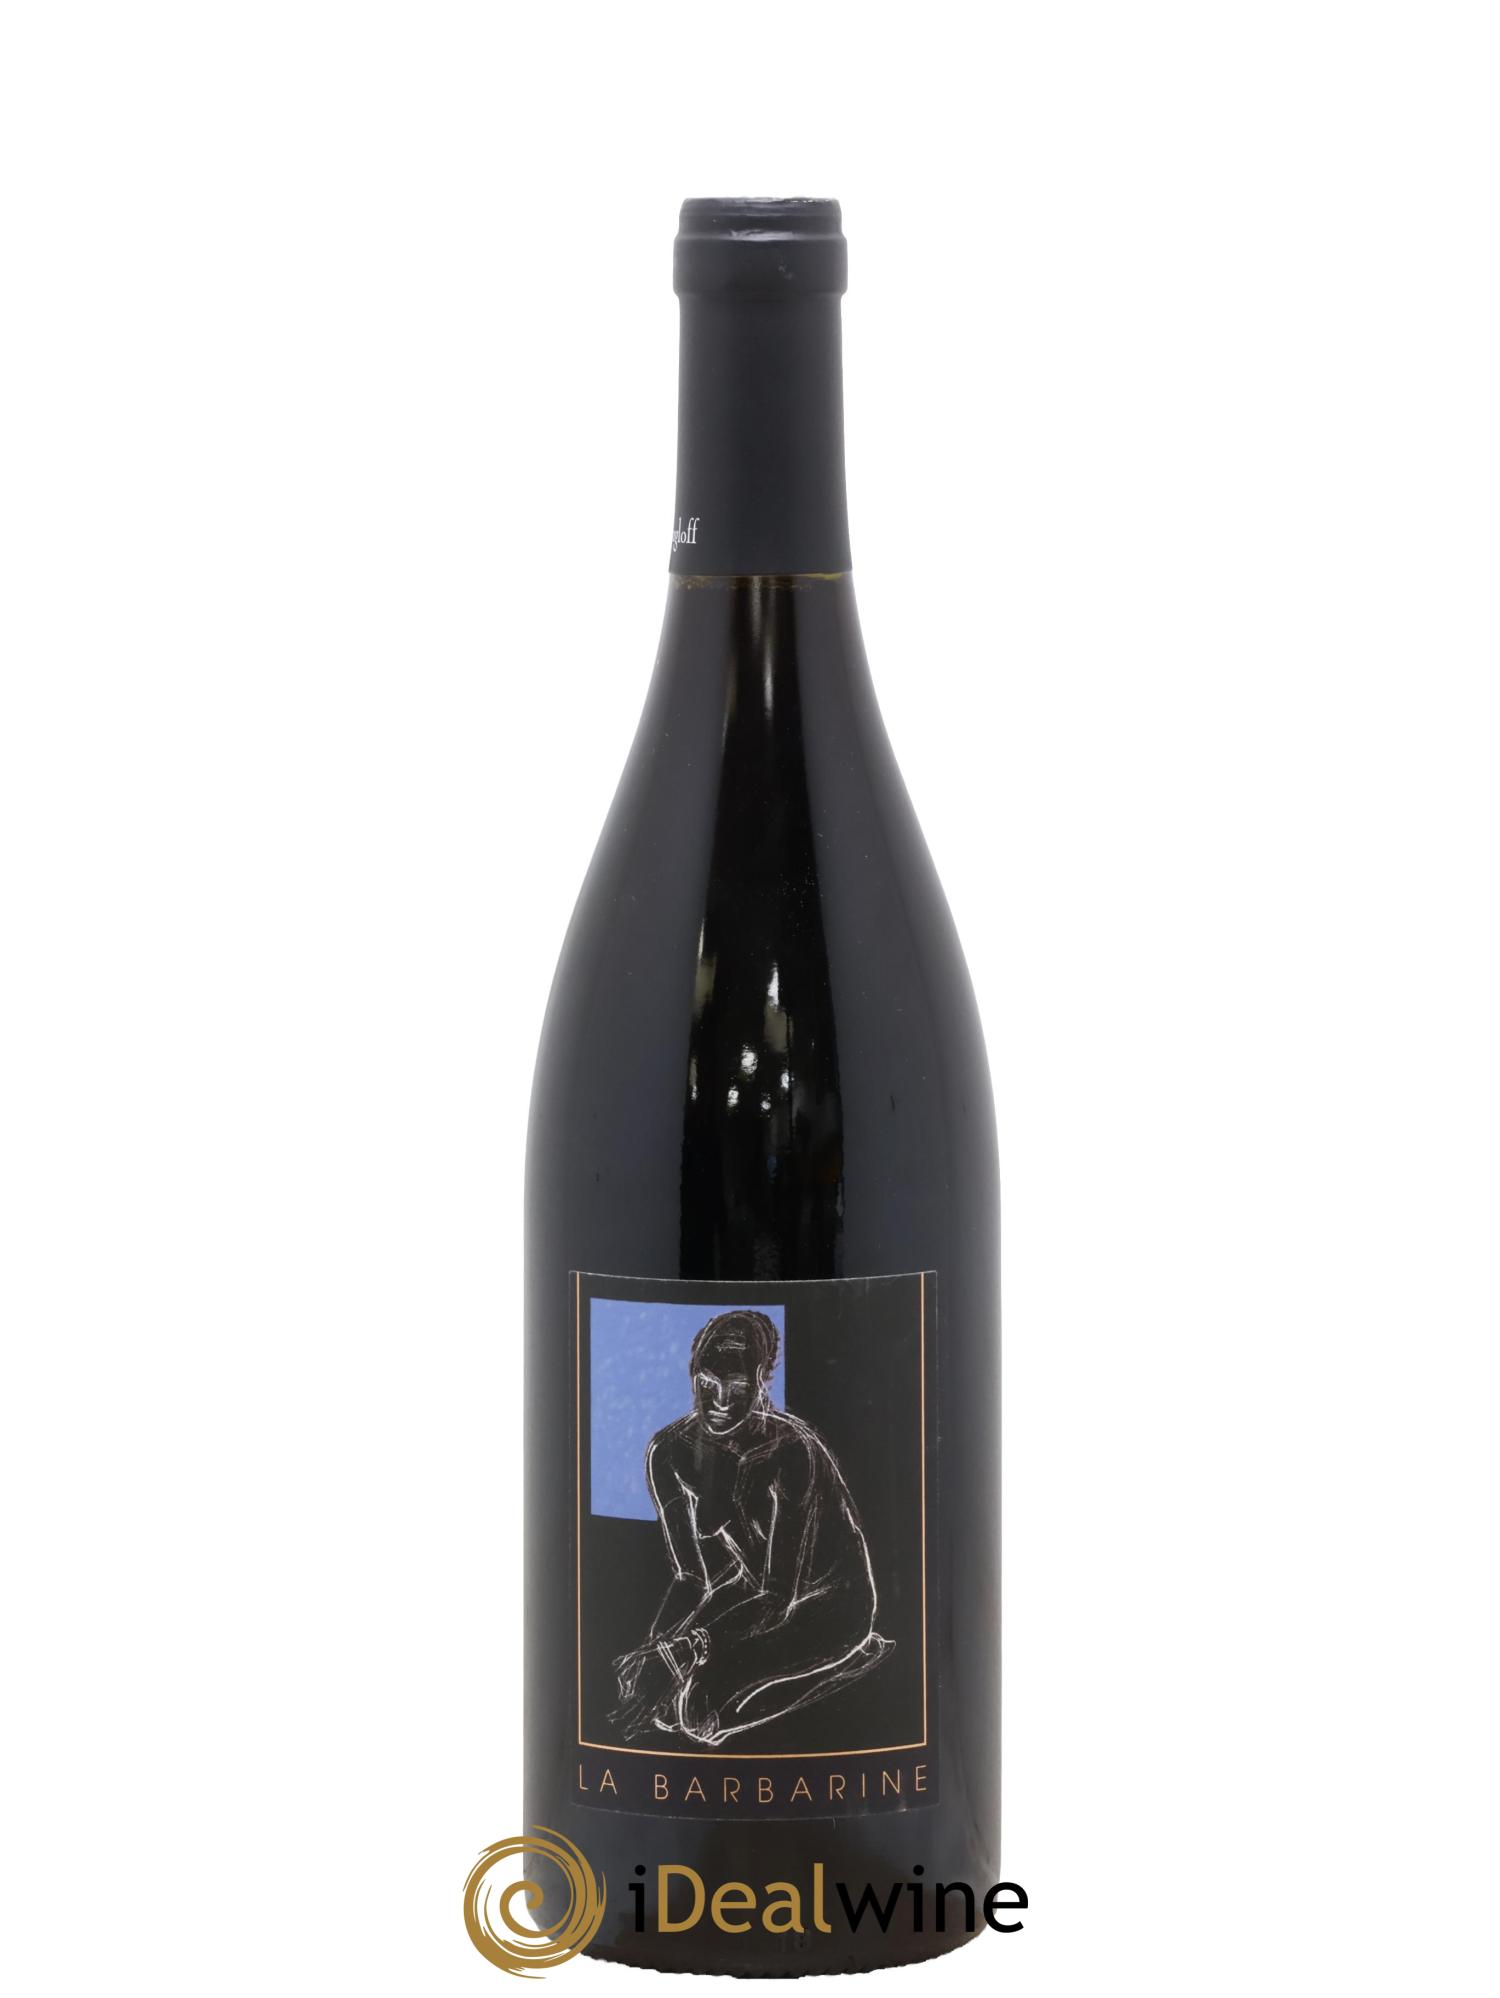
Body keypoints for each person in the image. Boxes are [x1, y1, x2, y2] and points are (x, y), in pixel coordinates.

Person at [610, 1308, 891, 1744]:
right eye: (708, 1385)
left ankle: (851, 1658)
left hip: (829, 1602)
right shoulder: (667, 1452)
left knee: (699, 1710)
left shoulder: (792, 1450)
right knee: (660, 1705)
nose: (720, 1402)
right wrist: (657, 1651)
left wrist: (692, 1646)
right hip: (750, 1591)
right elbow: (690, 1577)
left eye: (737, 1388)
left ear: (760, 1384)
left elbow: (780, 1595)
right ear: (694, 1378)